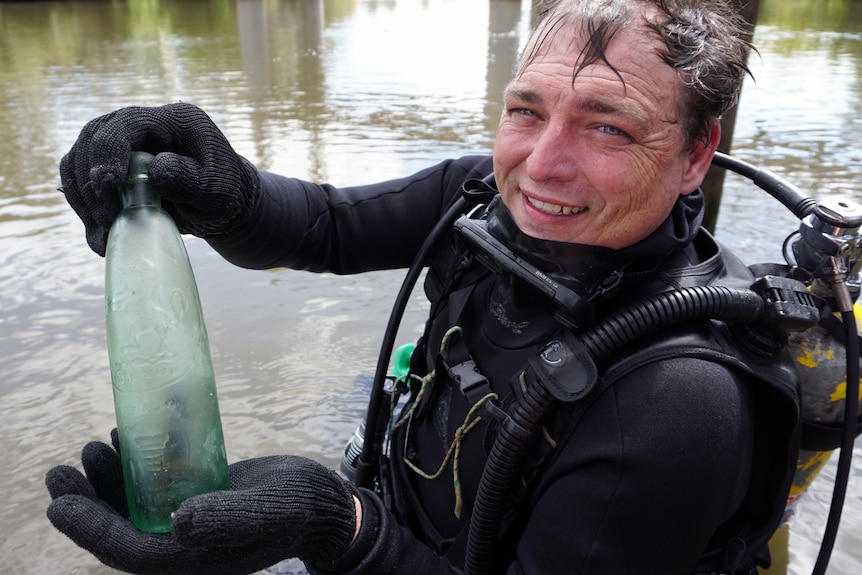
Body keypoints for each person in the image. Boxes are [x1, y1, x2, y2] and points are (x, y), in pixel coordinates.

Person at [45, 0, 802, 574]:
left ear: (699, 151)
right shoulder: (481, 196)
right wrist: (227, 191)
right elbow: (327, 226)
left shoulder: (678, 405)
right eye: (526, 110)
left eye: (608, 127)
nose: (540, 166)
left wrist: (334, 526)